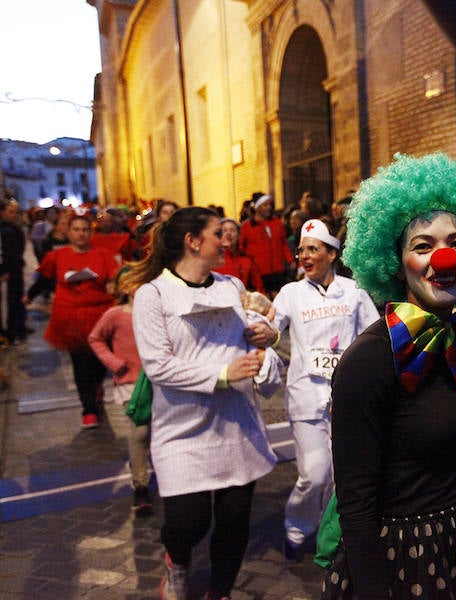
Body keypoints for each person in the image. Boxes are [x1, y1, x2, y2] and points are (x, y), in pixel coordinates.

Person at [325, 153, 456, 599]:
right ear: (395, 260)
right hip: (402, 554)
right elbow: (354, 506)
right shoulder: (368, 362)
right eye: (422, 246)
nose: (444, 258)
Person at [122, 206, 280, 600]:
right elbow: (159, 367)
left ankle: (220, 591)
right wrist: (223, 374)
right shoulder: (152, 294)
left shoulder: (230, 285)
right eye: (217, 234)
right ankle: (177, 562)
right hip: (183, 429)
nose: (226, 241)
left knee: (233, 520)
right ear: (193, 242)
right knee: (187, 524)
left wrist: (266, 342)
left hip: (236, 427)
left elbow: (260, 335)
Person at [270, 218, 379, 560]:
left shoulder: (354, 291)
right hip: (305, 397)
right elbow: (270, 330)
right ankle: (296, 528)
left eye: (312, 249)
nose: (304, 255)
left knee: (343, 474)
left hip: (345, 400)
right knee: (314, 475)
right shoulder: (290, 293)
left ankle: (335, 536)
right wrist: (258, 324)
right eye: (301, 250)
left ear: (331, 254)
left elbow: (372, 337)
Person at [25, 213, 120, 428]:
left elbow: (115, 279)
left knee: (99, 362)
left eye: (85, 230)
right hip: (70, 317)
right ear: (68, 232)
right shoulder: (57, 256)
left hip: (99, 315)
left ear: (91, 232)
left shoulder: (103, 255)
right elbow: (44, 277)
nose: (81, 234)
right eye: (76, 229)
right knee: (80, 363)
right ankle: (88, 409)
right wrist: (29, 295)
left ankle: (96, 387)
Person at [87, 269, 153, 515]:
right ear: (125, 288)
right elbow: (96, 339)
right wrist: (115, 363)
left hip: (157, 381)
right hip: (131, 383)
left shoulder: (154, 313)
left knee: (158, 433)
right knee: (140, 432)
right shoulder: (115, 315)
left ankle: (163, 477)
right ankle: (141, 485)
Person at [238, 194, 294, 295]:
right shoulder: (247, 226)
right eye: (265, 205)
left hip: (278, 271)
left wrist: (290, 260)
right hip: (258, 272)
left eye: (270, 204)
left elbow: (283, 244)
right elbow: (241, 248)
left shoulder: (277, 223)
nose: (269, 207)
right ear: (257, 207)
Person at [0, 199, 28, 343]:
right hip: (9, 272)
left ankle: (18, 328)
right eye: (10, 212)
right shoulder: (5, 230)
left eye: (15, 212)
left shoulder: (12, 228)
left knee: (17, 300)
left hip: (15, 269)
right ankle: (10, 332)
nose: (14, 215)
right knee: (9, 303)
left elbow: (19, 248)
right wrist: (4, 270)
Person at [216, 218, 265, 294]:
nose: (228, 233)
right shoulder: (213, 259)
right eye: (224, 231)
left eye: (232, 230)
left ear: (238, 235)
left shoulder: (247, 259)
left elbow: (259, 286)